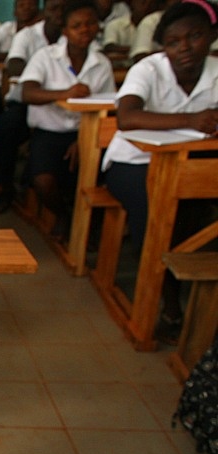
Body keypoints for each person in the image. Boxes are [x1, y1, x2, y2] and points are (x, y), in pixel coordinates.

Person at [100, 0, 218, 343]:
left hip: (191, 164)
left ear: (211, 36)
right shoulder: (149, 70)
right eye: (173, 42)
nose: (184, 48)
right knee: (155, 213)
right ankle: (165, 297)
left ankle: (187, 281)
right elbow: (127, 118)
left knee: (194, 213)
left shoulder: (214, 70)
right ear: (162, 46)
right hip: (133, 162)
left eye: (194, 36)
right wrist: (192, 120)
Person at [19, 0, 116, 237]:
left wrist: (83, 140)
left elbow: (110, 105)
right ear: (65, 30)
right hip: (49, 132)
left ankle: (89, 224)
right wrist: (64, 94)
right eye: (77, 25)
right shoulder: (46, 57)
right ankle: (63, 214)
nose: (85, 30)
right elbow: (27, 93)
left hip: (86, 133)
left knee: (102, 178)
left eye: (90, 24)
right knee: (43, 181)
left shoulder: (101, 63)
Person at [0, 0, 67, 214]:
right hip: (27, 101)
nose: (59, 13)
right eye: (54, 8)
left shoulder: (74, 35)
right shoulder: (27, 35)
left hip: (64, 107)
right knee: (7, 126)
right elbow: (13, 64)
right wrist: (44, 73)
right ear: (45, 11)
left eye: (64, 8)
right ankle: (5, 188)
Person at [0, 0, 43, 186]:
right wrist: (10, 54)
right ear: (14, 10)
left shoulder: (42, 33)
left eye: (31, 5)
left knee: (10, 126)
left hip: (25, 91)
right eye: (22, 5)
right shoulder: (6, 29)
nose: (27, 8)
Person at [104, 0, 160, 66]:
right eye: (143, 2)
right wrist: (138, 49)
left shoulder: (156, 25)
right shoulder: (115, 25)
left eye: (150, 3)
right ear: (132, 3)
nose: (146, 6)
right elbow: (109, 47)